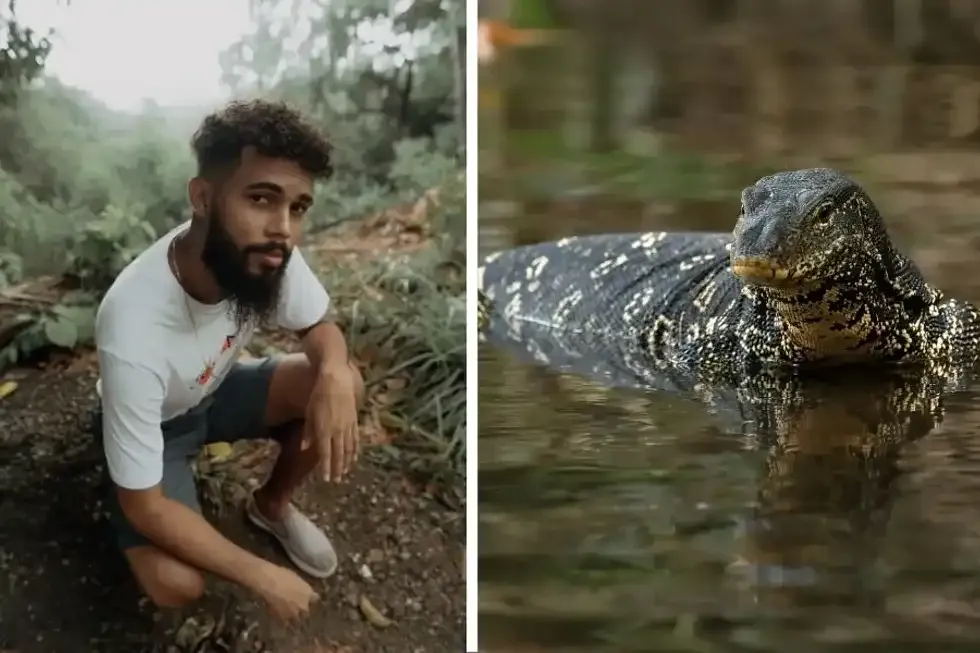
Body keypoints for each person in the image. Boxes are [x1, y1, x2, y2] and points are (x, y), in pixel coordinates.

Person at [94, 99, 364, 623]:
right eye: (261, 198)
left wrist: (332, 369)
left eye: (299, 207)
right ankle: (109, 489)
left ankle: (270, 509)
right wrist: (262, 576)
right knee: (176, 585)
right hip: (156, 424)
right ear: (203, 197)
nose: (283, 228)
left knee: (344, 382)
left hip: (212, 393)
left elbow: (319, 325)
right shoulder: (132, 324)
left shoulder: (265, 247)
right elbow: (144, 505)